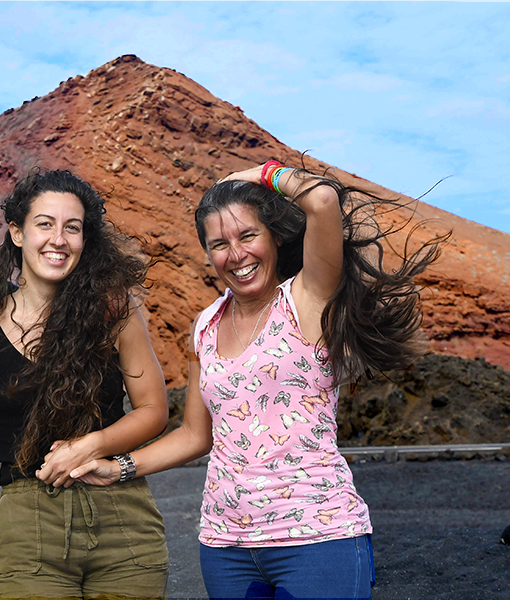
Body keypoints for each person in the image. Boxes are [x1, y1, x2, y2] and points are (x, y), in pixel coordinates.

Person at [70, 161, 446, 599]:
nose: (237, 254)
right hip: (225, 546)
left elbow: (322, 200)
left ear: (274, 237)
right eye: (219, 244)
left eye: (248, 235)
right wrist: (119, 468)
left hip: (316, 536)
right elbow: (195, 434)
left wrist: (257, 174)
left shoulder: (307, 300)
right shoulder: (206, 325)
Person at [0, 169, 170, 600]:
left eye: (73, 227)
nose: (59, 239)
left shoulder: (114, 312)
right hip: (28, 524)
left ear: (85, 240)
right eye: (45, 224)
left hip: (122, 514)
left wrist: (90, 446)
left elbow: (153, 411)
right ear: (17, 232)